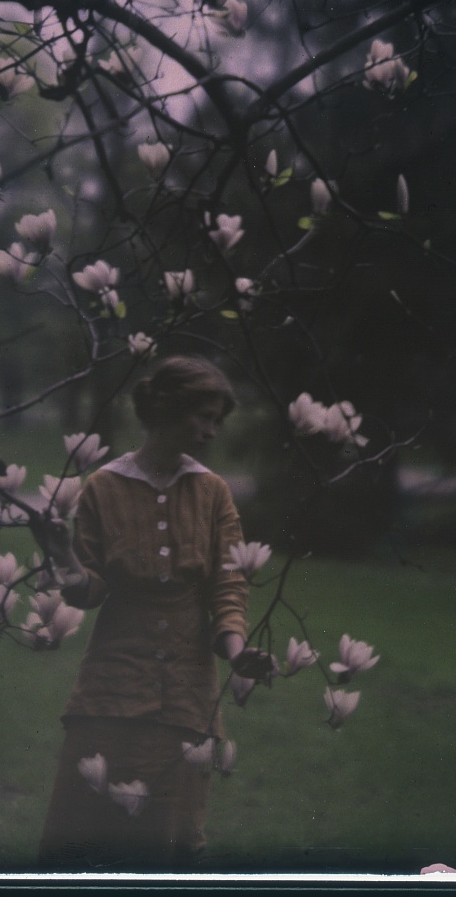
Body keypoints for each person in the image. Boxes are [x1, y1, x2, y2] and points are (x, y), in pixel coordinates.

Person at [31, 356, 274, 871]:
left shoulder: (213, 493)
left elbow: (228, 586)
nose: (211, 431)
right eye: (203, 417)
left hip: (186, 691)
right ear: (165, 408)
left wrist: (237, 653)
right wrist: (63, 555)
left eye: (217, 421)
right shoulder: (103, 486)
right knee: (86, 835)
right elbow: (88, 591)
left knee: (165, 841)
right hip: (110, 689)